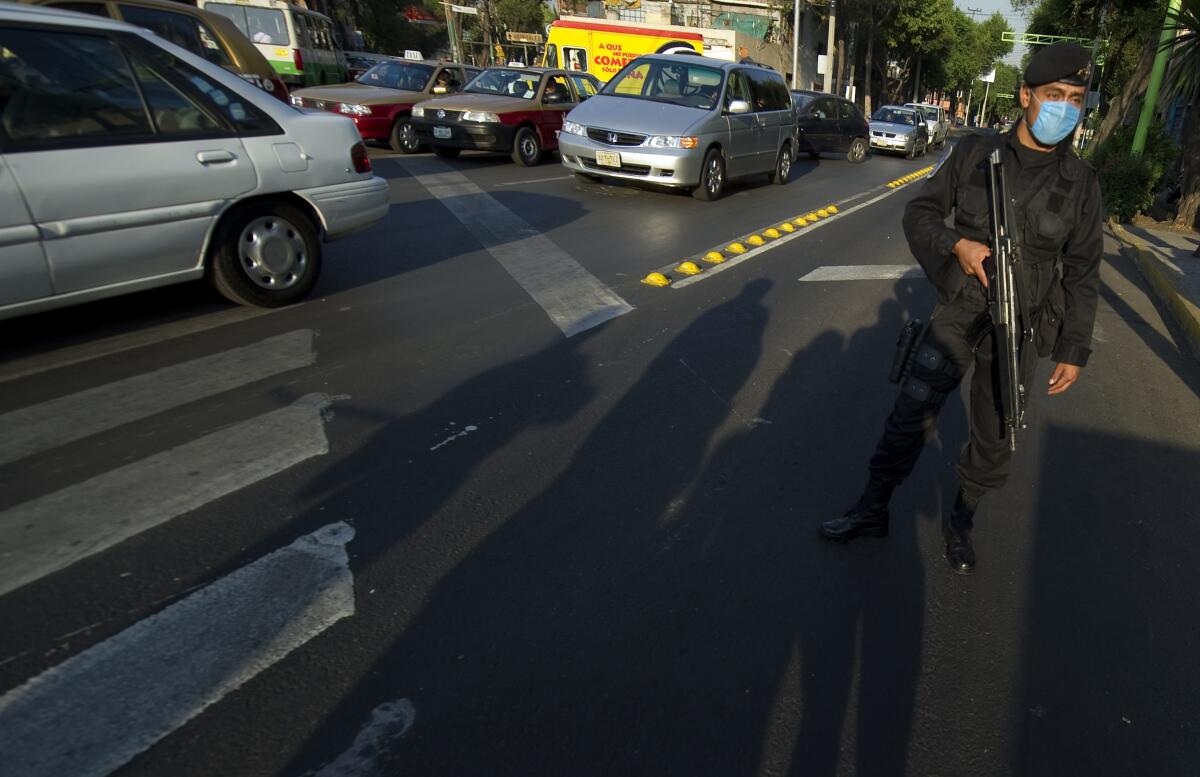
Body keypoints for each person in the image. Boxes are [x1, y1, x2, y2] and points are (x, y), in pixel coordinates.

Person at [819, 42, 1104, 575]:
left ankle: (961, 521)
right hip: (961, 307)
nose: (1064, 107)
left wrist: (1074, 348)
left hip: (1021, 324)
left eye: (1074, 98)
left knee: (996, 436)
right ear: (1026, 95)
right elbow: (920, 213)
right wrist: (957, 245)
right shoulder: (976, 154)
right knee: (911, 412)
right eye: (1053, 95)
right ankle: (871, 508)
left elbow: (1084, 270)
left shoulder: (1082, 183)